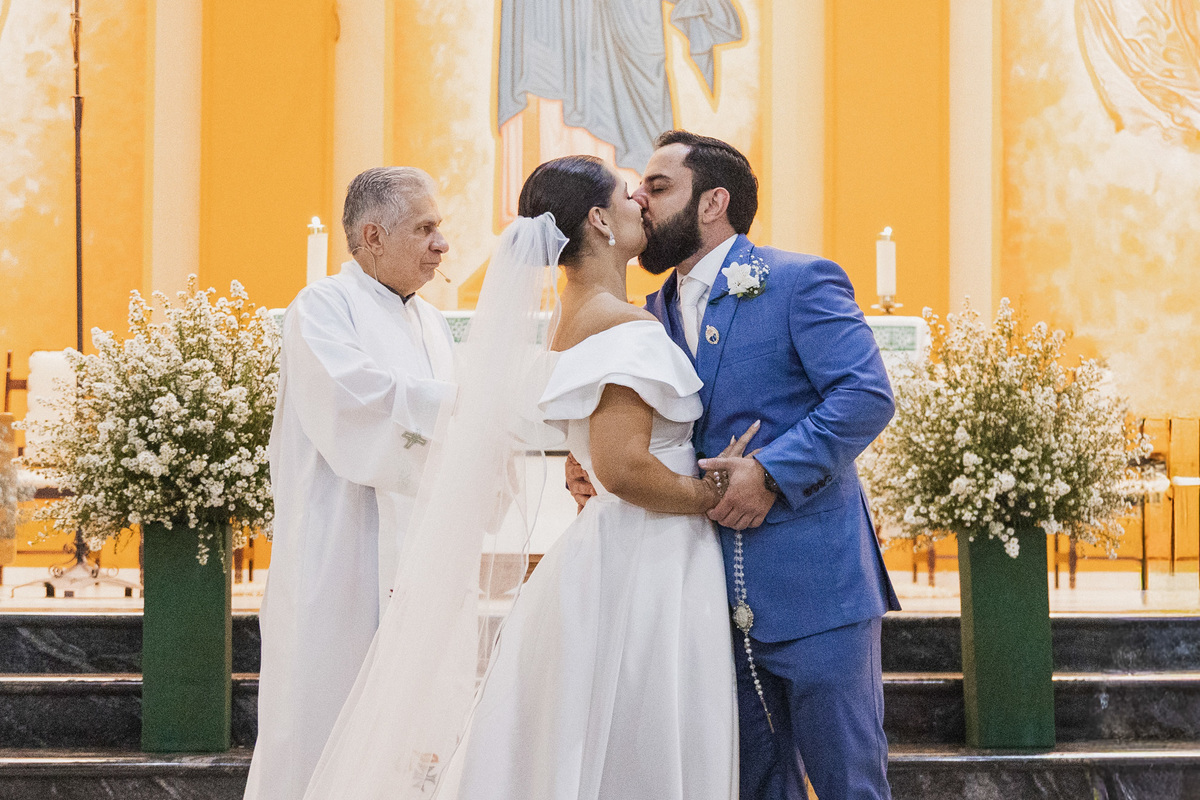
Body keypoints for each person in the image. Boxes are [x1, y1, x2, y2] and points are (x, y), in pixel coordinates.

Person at [300, 156, 754, 800]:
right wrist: (712, 493)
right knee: (642, 726)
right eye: (629, 195)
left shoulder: (571, 320)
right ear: (599, 221)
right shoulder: (628, 326)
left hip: (616, 547)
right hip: (649, 551)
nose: (640, 203)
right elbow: (624, 467)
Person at [569, 130, 900, 800]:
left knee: (849, 782)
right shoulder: (647, 315)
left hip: (815, 585)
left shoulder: (798, 281)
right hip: (706, 595)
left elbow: (865, 394)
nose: (641, 199)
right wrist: (591, 463)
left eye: (659, 186)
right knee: (749, 785)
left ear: (713, 202)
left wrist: (771, 472)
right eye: (638, 188)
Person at [245, 167, 457, 800]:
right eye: (425, 228)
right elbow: (354, 404)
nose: (442, 243)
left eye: (440, 227)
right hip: (338, 550)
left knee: (409, 725)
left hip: (415, 553)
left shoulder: (432, 323)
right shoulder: (321, 308)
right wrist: (471, 408)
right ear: (372, 237)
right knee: (324, 717)